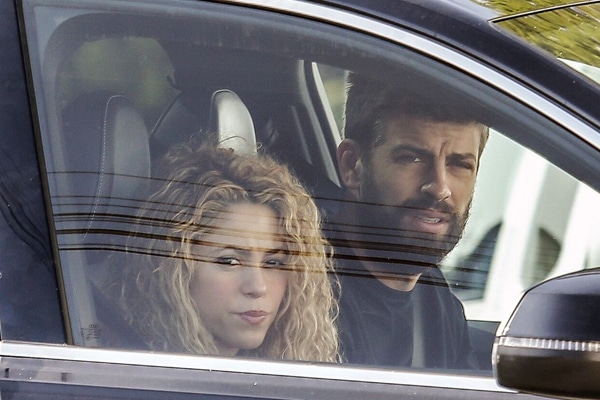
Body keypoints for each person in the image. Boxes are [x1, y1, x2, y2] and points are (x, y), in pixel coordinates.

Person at [109, 142, 339, 362]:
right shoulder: (128, 372)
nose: (258, 287)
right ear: (173, 269)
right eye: (229, 261)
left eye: (273, 262)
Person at [328, 72, 489, 369]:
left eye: (459, 164)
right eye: (412, 158)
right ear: (353, 165)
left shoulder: (435, 296)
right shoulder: (306, 298)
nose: (439, 188)